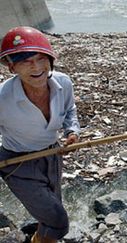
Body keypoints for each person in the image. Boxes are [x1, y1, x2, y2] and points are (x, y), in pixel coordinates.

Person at [0, 26, 80, 243]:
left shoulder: (63, 83)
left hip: (53, 156)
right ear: (12, 67)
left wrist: (72, 131)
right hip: (17, 163)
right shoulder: (3, 98)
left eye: (40, 58)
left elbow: (70, 109)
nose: (35, 67)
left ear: (49, 60)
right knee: (58, 220)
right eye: (25, 61)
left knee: (51, 210)